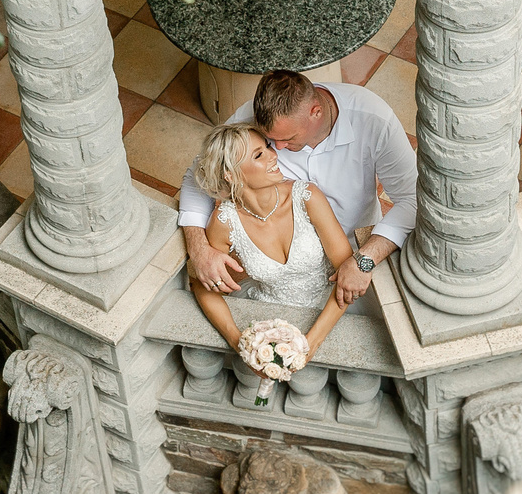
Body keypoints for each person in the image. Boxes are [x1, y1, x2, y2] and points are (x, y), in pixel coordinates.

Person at [177, 69, 417, 310]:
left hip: (355, 248)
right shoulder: (251, 117)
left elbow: (412, 199)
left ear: (316, 112)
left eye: (287, 139)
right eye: (269, 142)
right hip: (286, 266)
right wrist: (198, 249)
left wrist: (366, 258)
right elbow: (198, 176)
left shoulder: (374, 119)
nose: (277, 149)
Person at [186, 122, 357, 367]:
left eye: (267, 147)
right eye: (259, 155)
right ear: (232, 175)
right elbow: (204, 287)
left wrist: (309, 344)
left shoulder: (307, 197)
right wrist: (240, 343)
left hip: (332, 310)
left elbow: (346, 276)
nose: (274, 155)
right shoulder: (225, 222)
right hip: (270, 319)